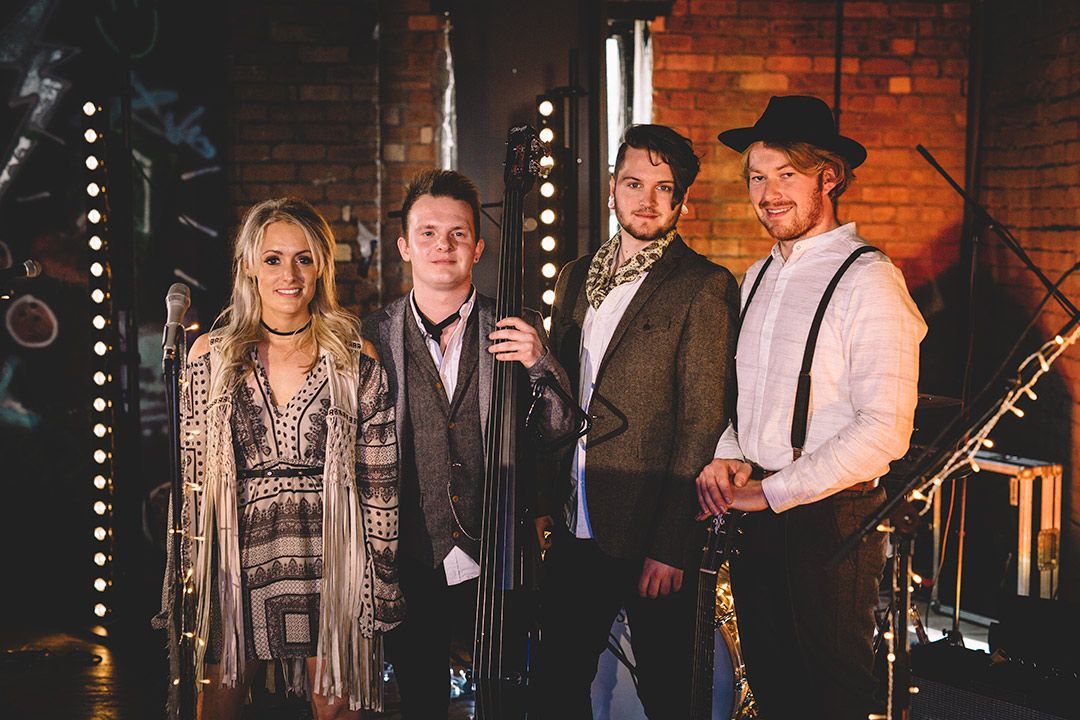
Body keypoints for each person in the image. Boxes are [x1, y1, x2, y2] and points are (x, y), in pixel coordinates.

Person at [698, 95, 927, 720]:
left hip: (832, 520)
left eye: (786, 175)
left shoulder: (870, 280)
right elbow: (741, 396)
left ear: (828, 177)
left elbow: (885, 431)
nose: (768, 194)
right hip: (757, 516)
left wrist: (770, 492)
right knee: (771, 690)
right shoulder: (756, 277)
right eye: (757, 177)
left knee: (829, 699)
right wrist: (729, 455)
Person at [155, 198, 402, 720]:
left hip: (334, 552)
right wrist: (188, 579)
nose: (289, 275)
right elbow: (191, 481)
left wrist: (380, 579)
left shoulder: (354, 357)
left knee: (338, 705)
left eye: (303, 259)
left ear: (321, 267)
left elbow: (380, 480)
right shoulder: (209, 357)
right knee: (217, 700)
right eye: (273, 259)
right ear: (249, 265)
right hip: (234, 554)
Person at [536, 124, 740, 718]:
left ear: (682, 200)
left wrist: (673, 545)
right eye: (633, 183)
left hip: (650, 529)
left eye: (663, 187)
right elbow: (559, 397)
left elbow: (702, 422)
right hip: (575, 519)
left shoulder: (703, 285)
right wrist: (545, 500)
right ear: (612, 188)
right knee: (554, 687)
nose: (646, 200)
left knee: (668, 697)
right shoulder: (576, 277)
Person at [362, 168, 574, 719]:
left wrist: (539, 363)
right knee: (421, 705)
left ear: (478, 248)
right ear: (405, 246)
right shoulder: (372, 334)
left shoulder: (518, 325)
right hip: (410, 556)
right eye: (428, 233)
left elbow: (560, 432)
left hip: (498, 557)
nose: (443, 245)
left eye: (458, 233)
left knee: (507, 704)